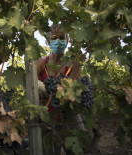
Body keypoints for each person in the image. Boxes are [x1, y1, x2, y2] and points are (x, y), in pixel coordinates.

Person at [37, 24, 85, 154]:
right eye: (54, 38)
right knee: (50, 151)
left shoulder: (73, 64)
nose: (58, 41)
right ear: (48, 41)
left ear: (67, 40)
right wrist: (37, 85)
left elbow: (72, 92)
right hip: (48, 117)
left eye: (62, 37)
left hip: (69, 115)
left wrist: (50, 89)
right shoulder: (42, 62)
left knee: (79, 149)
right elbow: (29, 86)